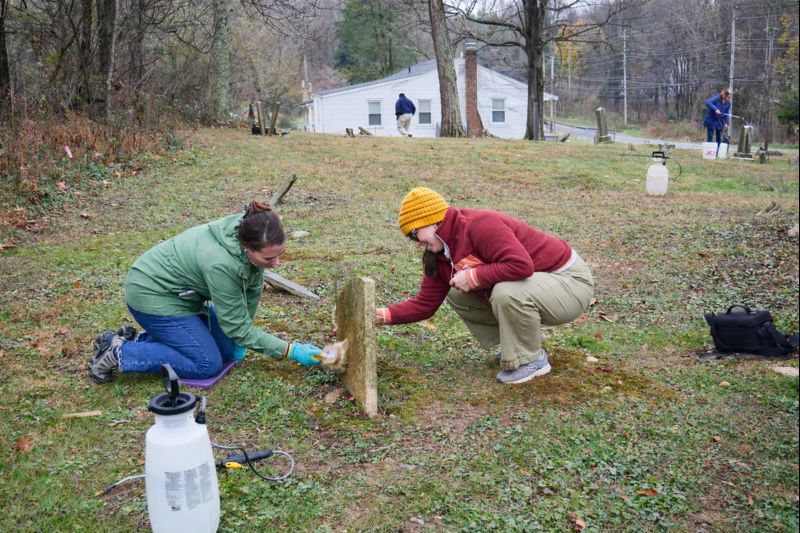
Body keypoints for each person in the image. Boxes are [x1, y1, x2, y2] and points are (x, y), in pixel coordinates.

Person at [375, 187, 594, 385]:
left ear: (432, 221)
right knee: (457, 293)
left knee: (506, 292)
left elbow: (521, 266)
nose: (417, 242)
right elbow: (424, 305)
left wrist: (475, 277)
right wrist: (380, 316)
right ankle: (518, 343)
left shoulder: (479, 225)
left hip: (569, 282)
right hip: (539, 285)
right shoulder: (440, 254)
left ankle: (532, 360)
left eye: (415, 233)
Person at [87, 201, 322, 383]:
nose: (277, 263)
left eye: (280, 254)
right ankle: (120, 352)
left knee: (227, 350)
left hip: (182, 295)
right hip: (152, 294)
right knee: (206, 364)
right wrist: (290, 350)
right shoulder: (221, 263)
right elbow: (237, 328)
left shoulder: (248, 232)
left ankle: (136, 339)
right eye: (269, 258)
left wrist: (243, 333)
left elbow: (250, 291)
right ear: (246, 247)